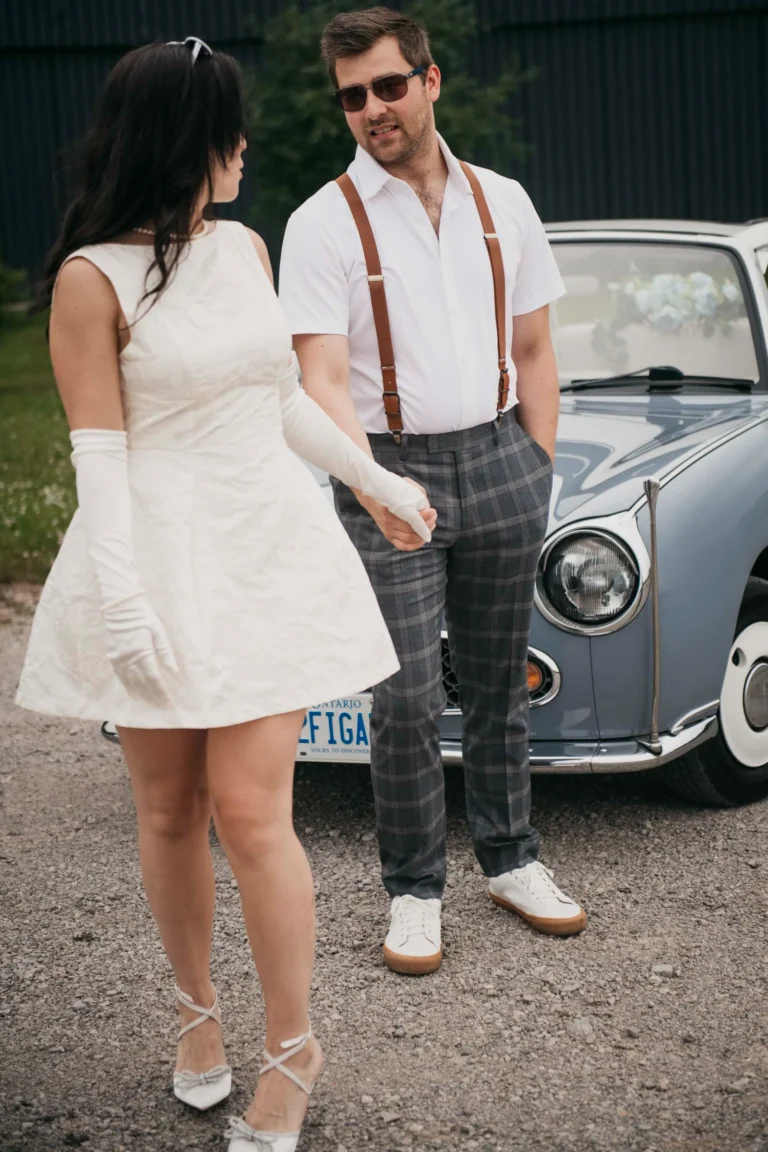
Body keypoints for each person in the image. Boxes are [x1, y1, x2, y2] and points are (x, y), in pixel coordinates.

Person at [15, 36, 435, 1151]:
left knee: (255, 817)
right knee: (167, 811)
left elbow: (280, 400)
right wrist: (120, 603)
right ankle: (197, 1018)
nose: (244, 146)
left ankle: (293, 1048)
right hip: (152, 557)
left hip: (262, 551)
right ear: (183, 142)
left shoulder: (245, 248)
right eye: (227, 128)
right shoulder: (88, 279)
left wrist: (374, 476)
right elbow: (96, 456)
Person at [278, 7, 587, 978]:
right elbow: (321, 378)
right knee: (405, 694)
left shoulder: (504, 200)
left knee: (498, 682)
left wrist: (534, 461)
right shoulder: (321, 221)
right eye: (352, 96)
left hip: (500, 459)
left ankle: (512, 858)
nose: (371, 109)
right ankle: (414, 889)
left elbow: (535, 350)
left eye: (387, 86)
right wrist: (366, 481)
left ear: (431, 80)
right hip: (386, 470)